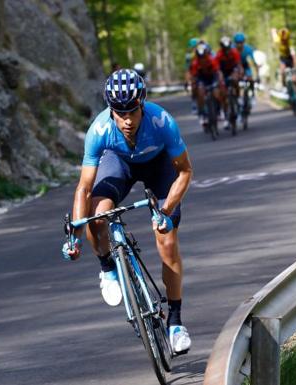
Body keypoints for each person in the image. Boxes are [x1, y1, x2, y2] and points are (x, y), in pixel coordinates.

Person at [62, 69, 193, 353]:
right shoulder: (99, 130)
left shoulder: (161, 121)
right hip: (117, 162)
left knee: (167, 241)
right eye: (119, 113)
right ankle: (108, 268)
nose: (127, 120)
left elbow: (184, 172)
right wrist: (74, 232)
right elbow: (83, 188)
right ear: (110, 110)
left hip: (157, 164)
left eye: (132, 111)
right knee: (96, 217)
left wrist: (165, 211)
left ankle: (175, 322)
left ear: (142, 104)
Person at [188, 43, 224, 126]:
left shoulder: (212, 60)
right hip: (202, 79)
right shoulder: (195, 63)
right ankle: (202, 114)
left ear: (207, 54)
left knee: (217, 93)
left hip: (212, 78)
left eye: (203, 56)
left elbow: (218, 72)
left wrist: (220, 81)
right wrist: (193, 84)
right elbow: (193, 76)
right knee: (200, 93)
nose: (202, 59)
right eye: (200, 57)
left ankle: (219, 110)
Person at [215, 36, 244, 128]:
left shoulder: (234, 52)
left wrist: (240, 73)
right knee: (223, 94)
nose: (227, 50)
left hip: (233, 70)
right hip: (223, 72)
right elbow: (217, 69)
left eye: (228, 48)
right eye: (225, 48)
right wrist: (220, 79)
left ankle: (238, 98)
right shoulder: (219, 55)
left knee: (235, 79)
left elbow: (239, 65)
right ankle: (226, 117)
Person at [271, 27, 296, 97]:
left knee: (294, 79)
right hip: (283, 58)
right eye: (283, 40)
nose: (284, 41)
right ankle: (284, 86)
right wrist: (274, 31)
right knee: (282, 72)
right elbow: (273, 34)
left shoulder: (290, 45)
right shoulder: (278, 40)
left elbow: (294, 58)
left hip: (291, 59)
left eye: (285, 40)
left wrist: (295, 69)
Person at [234, 32, 260, 103]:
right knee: (234, 80)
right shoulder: (232, 49)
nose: (239, 45)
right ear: (235, 43)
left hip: (246, 66)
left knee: (250, 78)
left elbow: (253, 62)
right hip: (236, 67)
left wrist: (257, 75)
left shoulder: (248, 49)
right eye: (237, 43)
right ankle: (237, 96)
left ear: (243, 42)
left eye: (241, 42)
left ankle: (252, 95)